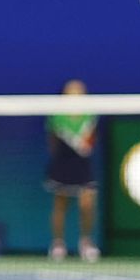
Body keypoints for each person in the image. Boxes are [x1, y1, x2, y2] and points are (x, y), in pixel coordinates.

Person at [44, 81, 100, 263]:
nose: (75, 94)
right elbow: (52, 141)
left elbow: (91, 142)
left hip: (82, 163)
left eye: (79, 91)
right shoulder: (56, 116)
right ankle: (58, 244)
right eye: (71, 91)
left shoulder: (90, 115)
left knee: (87, 204)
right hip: (63, 161)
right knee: (60, 204)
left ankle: (86, 242)